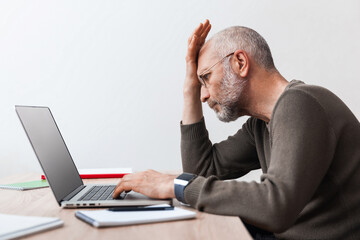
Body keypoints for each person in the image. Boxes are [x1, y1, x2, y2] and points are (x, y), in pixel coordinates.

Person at [113, 20, 360, 239]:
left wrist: (177, 186)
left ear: (240, 62)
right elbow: (201, 170)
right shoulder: (261, 125)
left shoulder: (302, 103)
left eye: (206, 77)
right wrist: (190, 85)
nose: (204, 95)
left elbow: (276, 207)